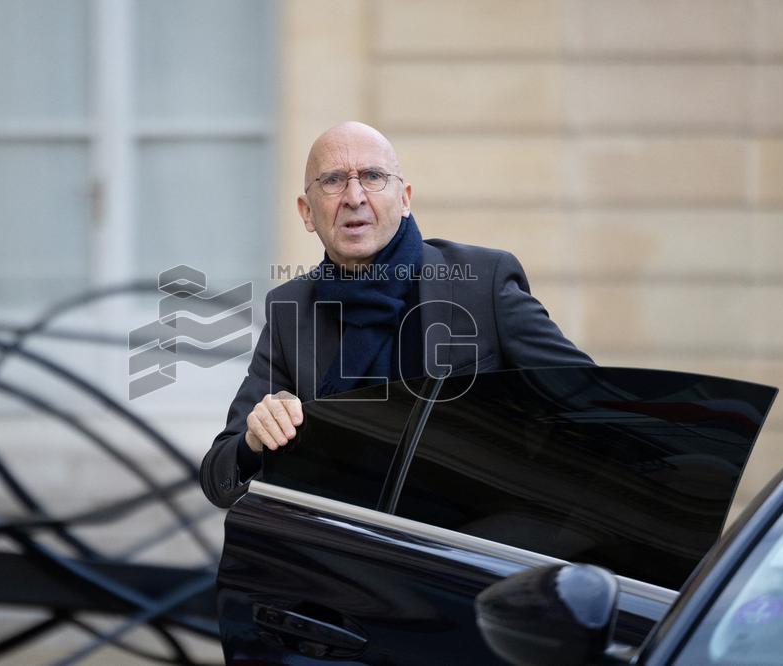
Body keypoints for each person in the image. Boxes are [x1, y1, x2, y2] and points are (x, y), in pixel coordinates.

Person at [200, 121, 592, 508]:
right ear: (306, 212)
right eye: (333, 180)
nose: (354, 196)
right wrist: (254, 439)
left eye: (372, 176)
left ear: (404, 199)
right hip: (349, 551)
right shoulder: (290, 310)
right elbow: (219, 480)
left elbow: (588, 403)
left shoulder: (482, 283)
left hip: (480, 546)